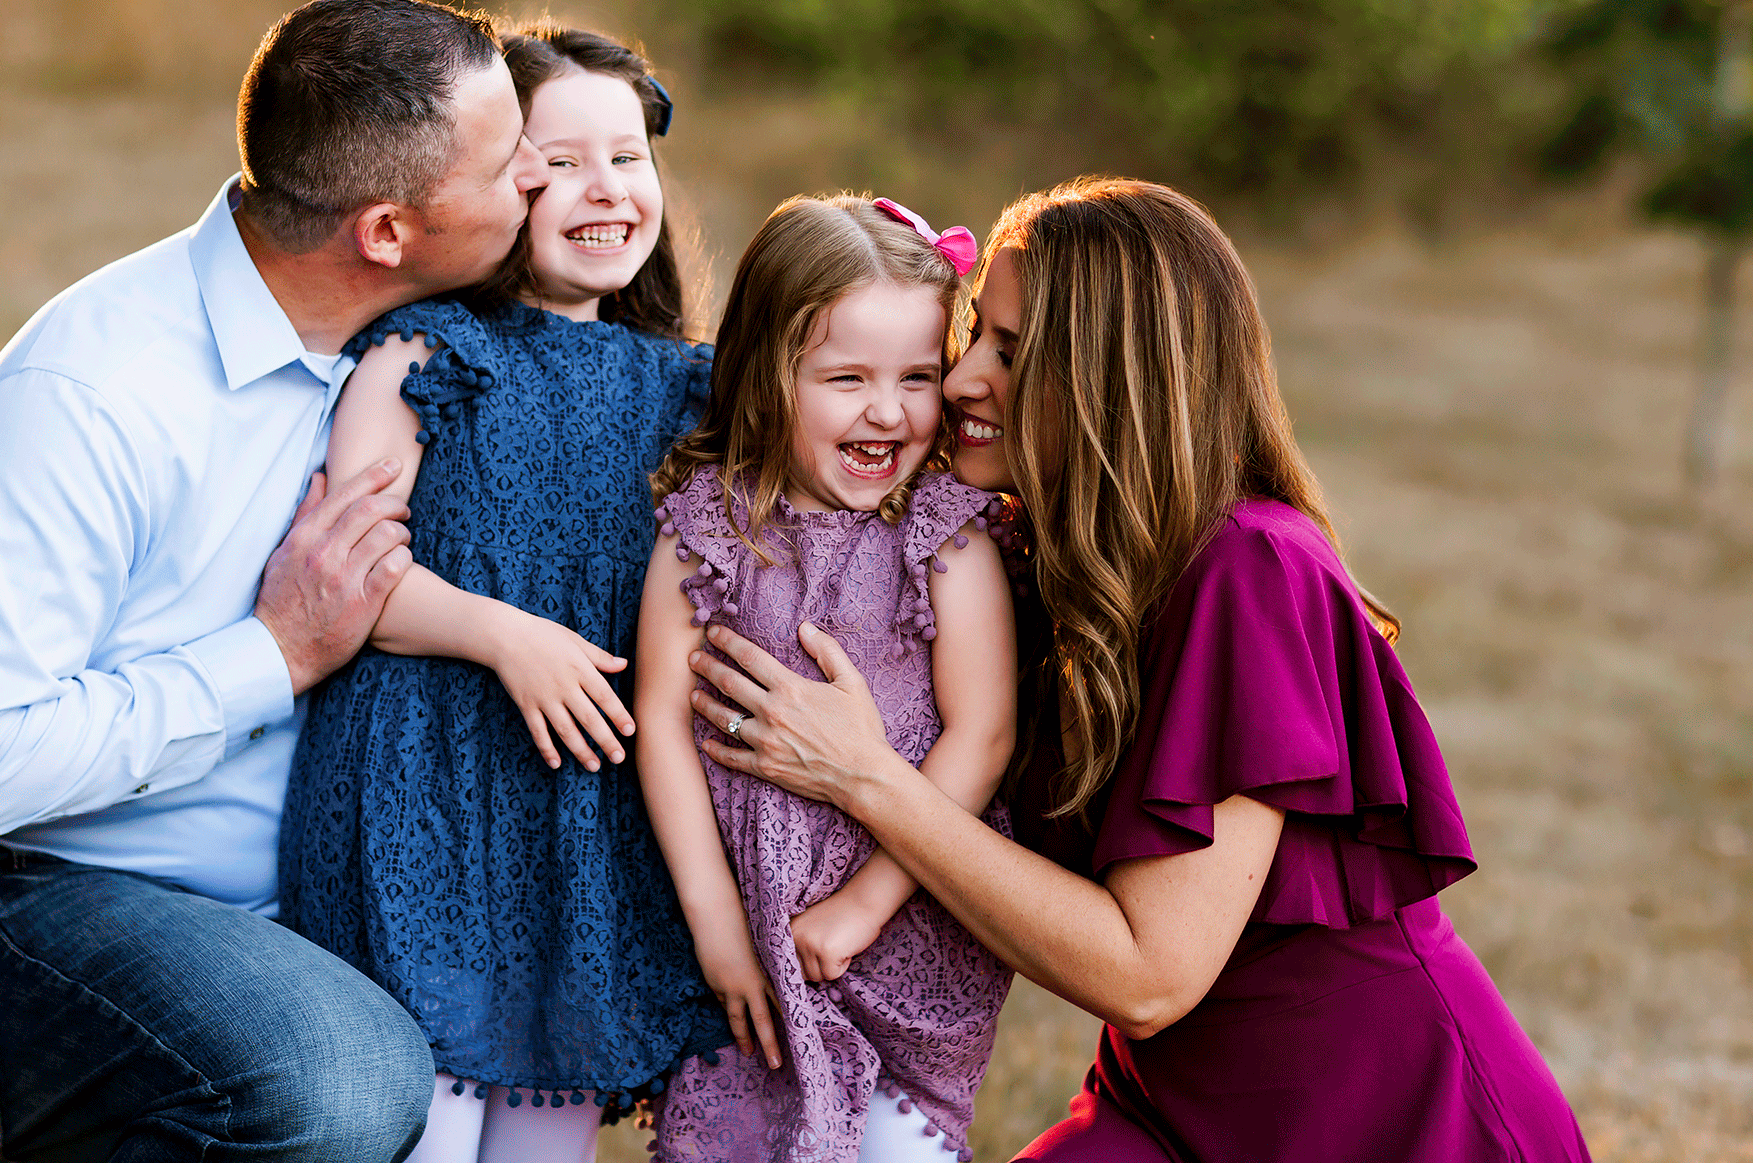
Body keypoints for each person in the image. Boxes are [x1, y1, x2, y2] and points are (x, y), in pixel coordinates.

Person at [679, 177, 1593, 1162]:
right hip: (1169, 1106)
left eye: (1010, 352)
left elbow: (1148, 975)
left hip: (1379, 1117)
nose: (958, 382)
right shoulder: (1029, 551)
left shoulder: (1249, 569)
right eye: (972, 336)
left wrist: (867, 780)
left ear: (1112, 380)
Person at [0, 0, 550, 1163]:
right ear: (386, 229)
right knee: (340, 1082)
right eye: (508, 160)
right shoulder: (90, 395)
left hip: (317, 908)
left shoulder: (426, 338)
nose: (537, 172)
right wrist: (272, 654)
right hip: (36, 906)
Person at [277, 24, 731, 1163]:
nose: (606, 188)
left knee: (545, 1137)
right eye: (560, 160)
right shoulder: (430, 354)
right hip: (422, 796)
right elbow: (350, 577)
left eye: (627, 157)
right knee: (425, 1127)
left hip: (579, 820)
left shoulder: (689, 388)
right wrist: (502, 636)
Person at [635, 195, 1018, 1163]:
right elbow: (663, 724)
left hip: (903, 912)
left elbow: (982, 735)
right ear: (769, 376)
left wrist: (865, 902)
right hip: (747, 918)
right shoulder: (709, 525)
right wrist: (717, 925)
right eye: (846, 377)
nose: (886, 410)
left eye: (918, 378)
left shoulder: (943, 536)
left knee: (895, 1145)